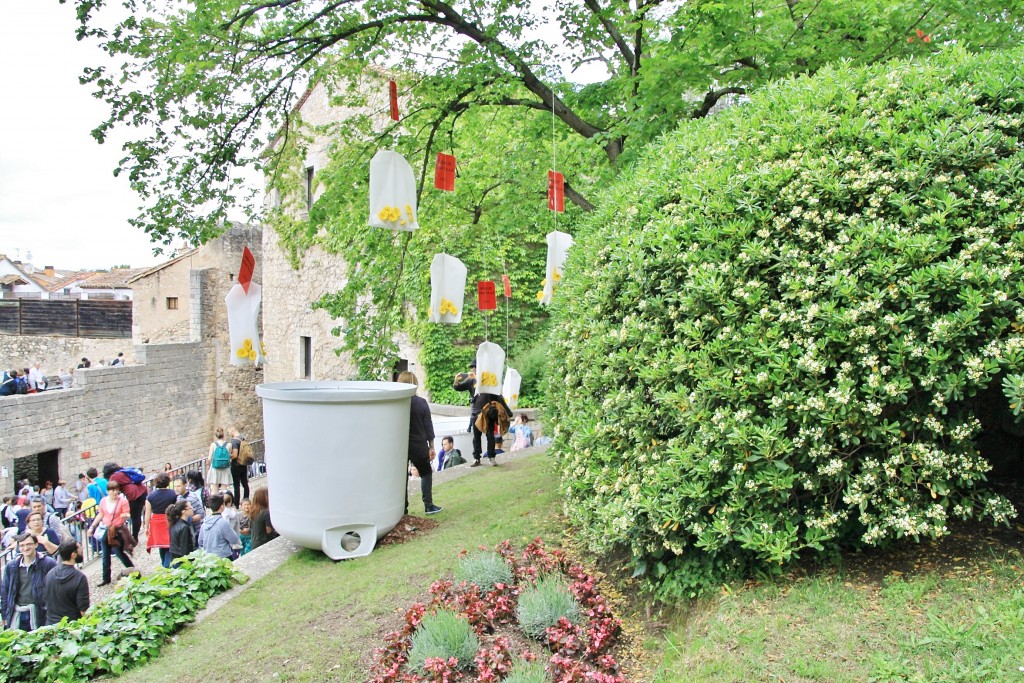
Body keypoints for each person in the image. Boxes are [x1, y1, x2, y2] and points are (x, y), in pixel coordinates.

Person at [397, 371, 442, 515]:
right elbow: (428, 426)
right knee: (425, 473)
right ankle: (428, 505)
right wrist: (432, 446)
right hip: (418, 445)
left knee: (401, 478)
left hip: (400, 445)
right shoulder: (421, 403)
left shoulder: (397, 404)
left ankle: (403, 509)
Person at [2, 532, 58, 630]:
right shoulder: (11, 566)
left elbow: (57, 589)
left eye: (29, 544)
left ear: (36, 544)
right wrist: (5, 615)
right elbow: (5, 592)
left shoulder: (48, 563)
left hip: (41, 612)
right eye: (22, 545)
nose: (25, 548)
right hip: (18, 612)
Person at [87, 481, 136, 586]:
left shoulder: (122, 501)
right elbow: (101, 514)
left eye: (116, 490)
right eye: (112, 490)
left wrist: (125, 515)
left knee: (119, 553)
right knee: (105, 555)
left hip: (118, 530)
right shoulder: (103, 501)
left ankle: (133, 571)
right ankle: (106, 578)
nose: (115, 492)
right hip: (108, 530)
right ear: (108, 491)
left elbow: (127, 513)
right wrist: (92, 526)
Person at [44, 540, 90, 625]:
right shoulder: (79, 578)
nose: (82, 549)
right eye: (80, 548)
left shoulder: (50, 573)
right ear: (73, 554)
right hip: (72, 626)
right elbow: (84, 609)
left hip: (51, 624)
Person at [106, 462, 149, 542]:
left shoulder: (113, 476)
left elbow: (113, 488)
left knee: (136, 517)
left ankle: (135, 538)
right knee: (148, 511)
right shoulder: (123, 471)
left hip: (132, 494)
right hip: (142, 489)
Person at [470, 389, 514, 467]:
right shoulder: (475, 384)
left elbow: (500, 399)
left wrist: (509, 413)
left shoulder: (492, 389)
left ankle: (491, 457)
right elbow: (458, 387)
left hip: (488, 416)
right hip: (476, 415)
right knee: (477, 437)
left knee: (490, 437)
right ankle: (477, 458)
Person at [143, 473, 177, 568]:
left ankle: (164, 564)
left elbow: (148, 513)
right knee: (169, 544)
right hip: (169, 520)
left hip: (156, 522)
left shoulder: (150, 496)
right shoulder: (173, 494)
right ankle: (167, 564)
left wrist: (146, 527)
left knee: (161, 544)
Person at [199, 494, 241, 560]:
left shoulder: (204, 523)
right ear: (222, 507)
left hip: (208, 558)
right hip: (223, 557)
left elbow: (200, 541)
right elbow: (234, 539)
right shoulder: (222, 522)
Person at [166, 500, 196, 565]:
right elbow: (184, 548)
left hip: (175, 559)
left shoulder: (174, 523)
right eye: (190, 508)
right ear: (183, 511)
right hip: (182, 562)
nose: (192, 509)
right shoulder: (184, 527)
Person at [228, 426, 251, 504]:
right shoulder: (243, 438)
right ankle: (246, 498)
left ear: (232, 430)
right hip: (243, 463)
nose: (229, 434)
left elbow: (234, 455)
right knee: (245, 483)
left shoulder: (234, 441)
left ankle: (237, 503)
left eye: (229, 432)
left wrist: (228, 456)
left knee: (236, 485)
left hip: (236, 465)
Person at [453, 360, 477, 432]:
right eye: (472, 367)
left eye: (475, 366)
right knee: (476, 436)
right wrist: (456, 380)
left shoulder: (486, 377)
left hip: (486, 410)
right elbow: (458, 387)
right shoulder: (470, 380)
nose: (473, 368)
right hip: (475, 410)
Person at [207, 428, 233, 494]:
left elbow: (209, 458)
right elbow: (229, 456)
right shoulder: (229, 445)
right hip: (225, 468)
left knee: (214, 489)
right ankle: (224, 502)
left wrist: (208, 466)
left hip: (215, 468)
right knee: (224, 490)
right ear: (223, 435)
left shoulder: (213, 444)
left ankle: (214, 503)